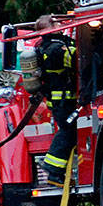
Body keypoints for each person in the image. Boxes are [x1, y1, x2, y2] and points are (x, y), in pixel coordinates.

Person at [35, 15, 78, 186]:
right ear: (52, 27)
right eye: (58, 24)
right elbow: (77, 60)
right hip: (64, 101)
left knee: (68, 131)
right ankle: (53, 171)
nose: (61, 26)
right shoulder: (56, 49)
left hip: (57, 101)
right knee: (68, 133)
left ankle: (55, 171)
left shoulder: (43, 47)